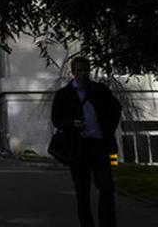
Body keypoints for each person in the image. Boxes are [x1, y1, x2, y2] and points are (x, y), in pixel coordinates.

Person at [51, 57, 122, 227]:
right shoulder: (64, 94)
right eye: (79, 71)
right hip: (78, 147)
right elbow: (56, 119)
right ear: (73, 72)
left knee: (106, 188)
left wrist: (107, 129)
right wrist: (72, 124)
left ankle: (107, 223)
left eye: (85, 70)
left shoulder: (99, 90)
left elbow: (115, 109)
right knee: (82, 191)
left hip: (98, 145)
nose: (83, 74)